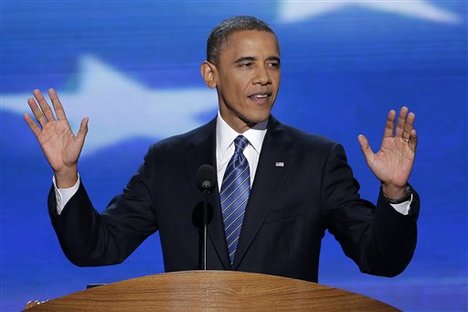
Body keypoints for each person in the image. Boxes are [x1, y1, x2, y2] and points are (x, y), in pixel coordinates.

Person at [24, 16, 419, 283]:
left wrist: (394, 194)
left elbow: (380, 259)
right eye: (246, 64)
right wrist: (66, 176)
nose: (264, 77)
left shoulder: (316, 160)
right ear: (210, 74)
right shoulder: (170, 161)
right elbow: (97, 247)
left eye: (273, 64)